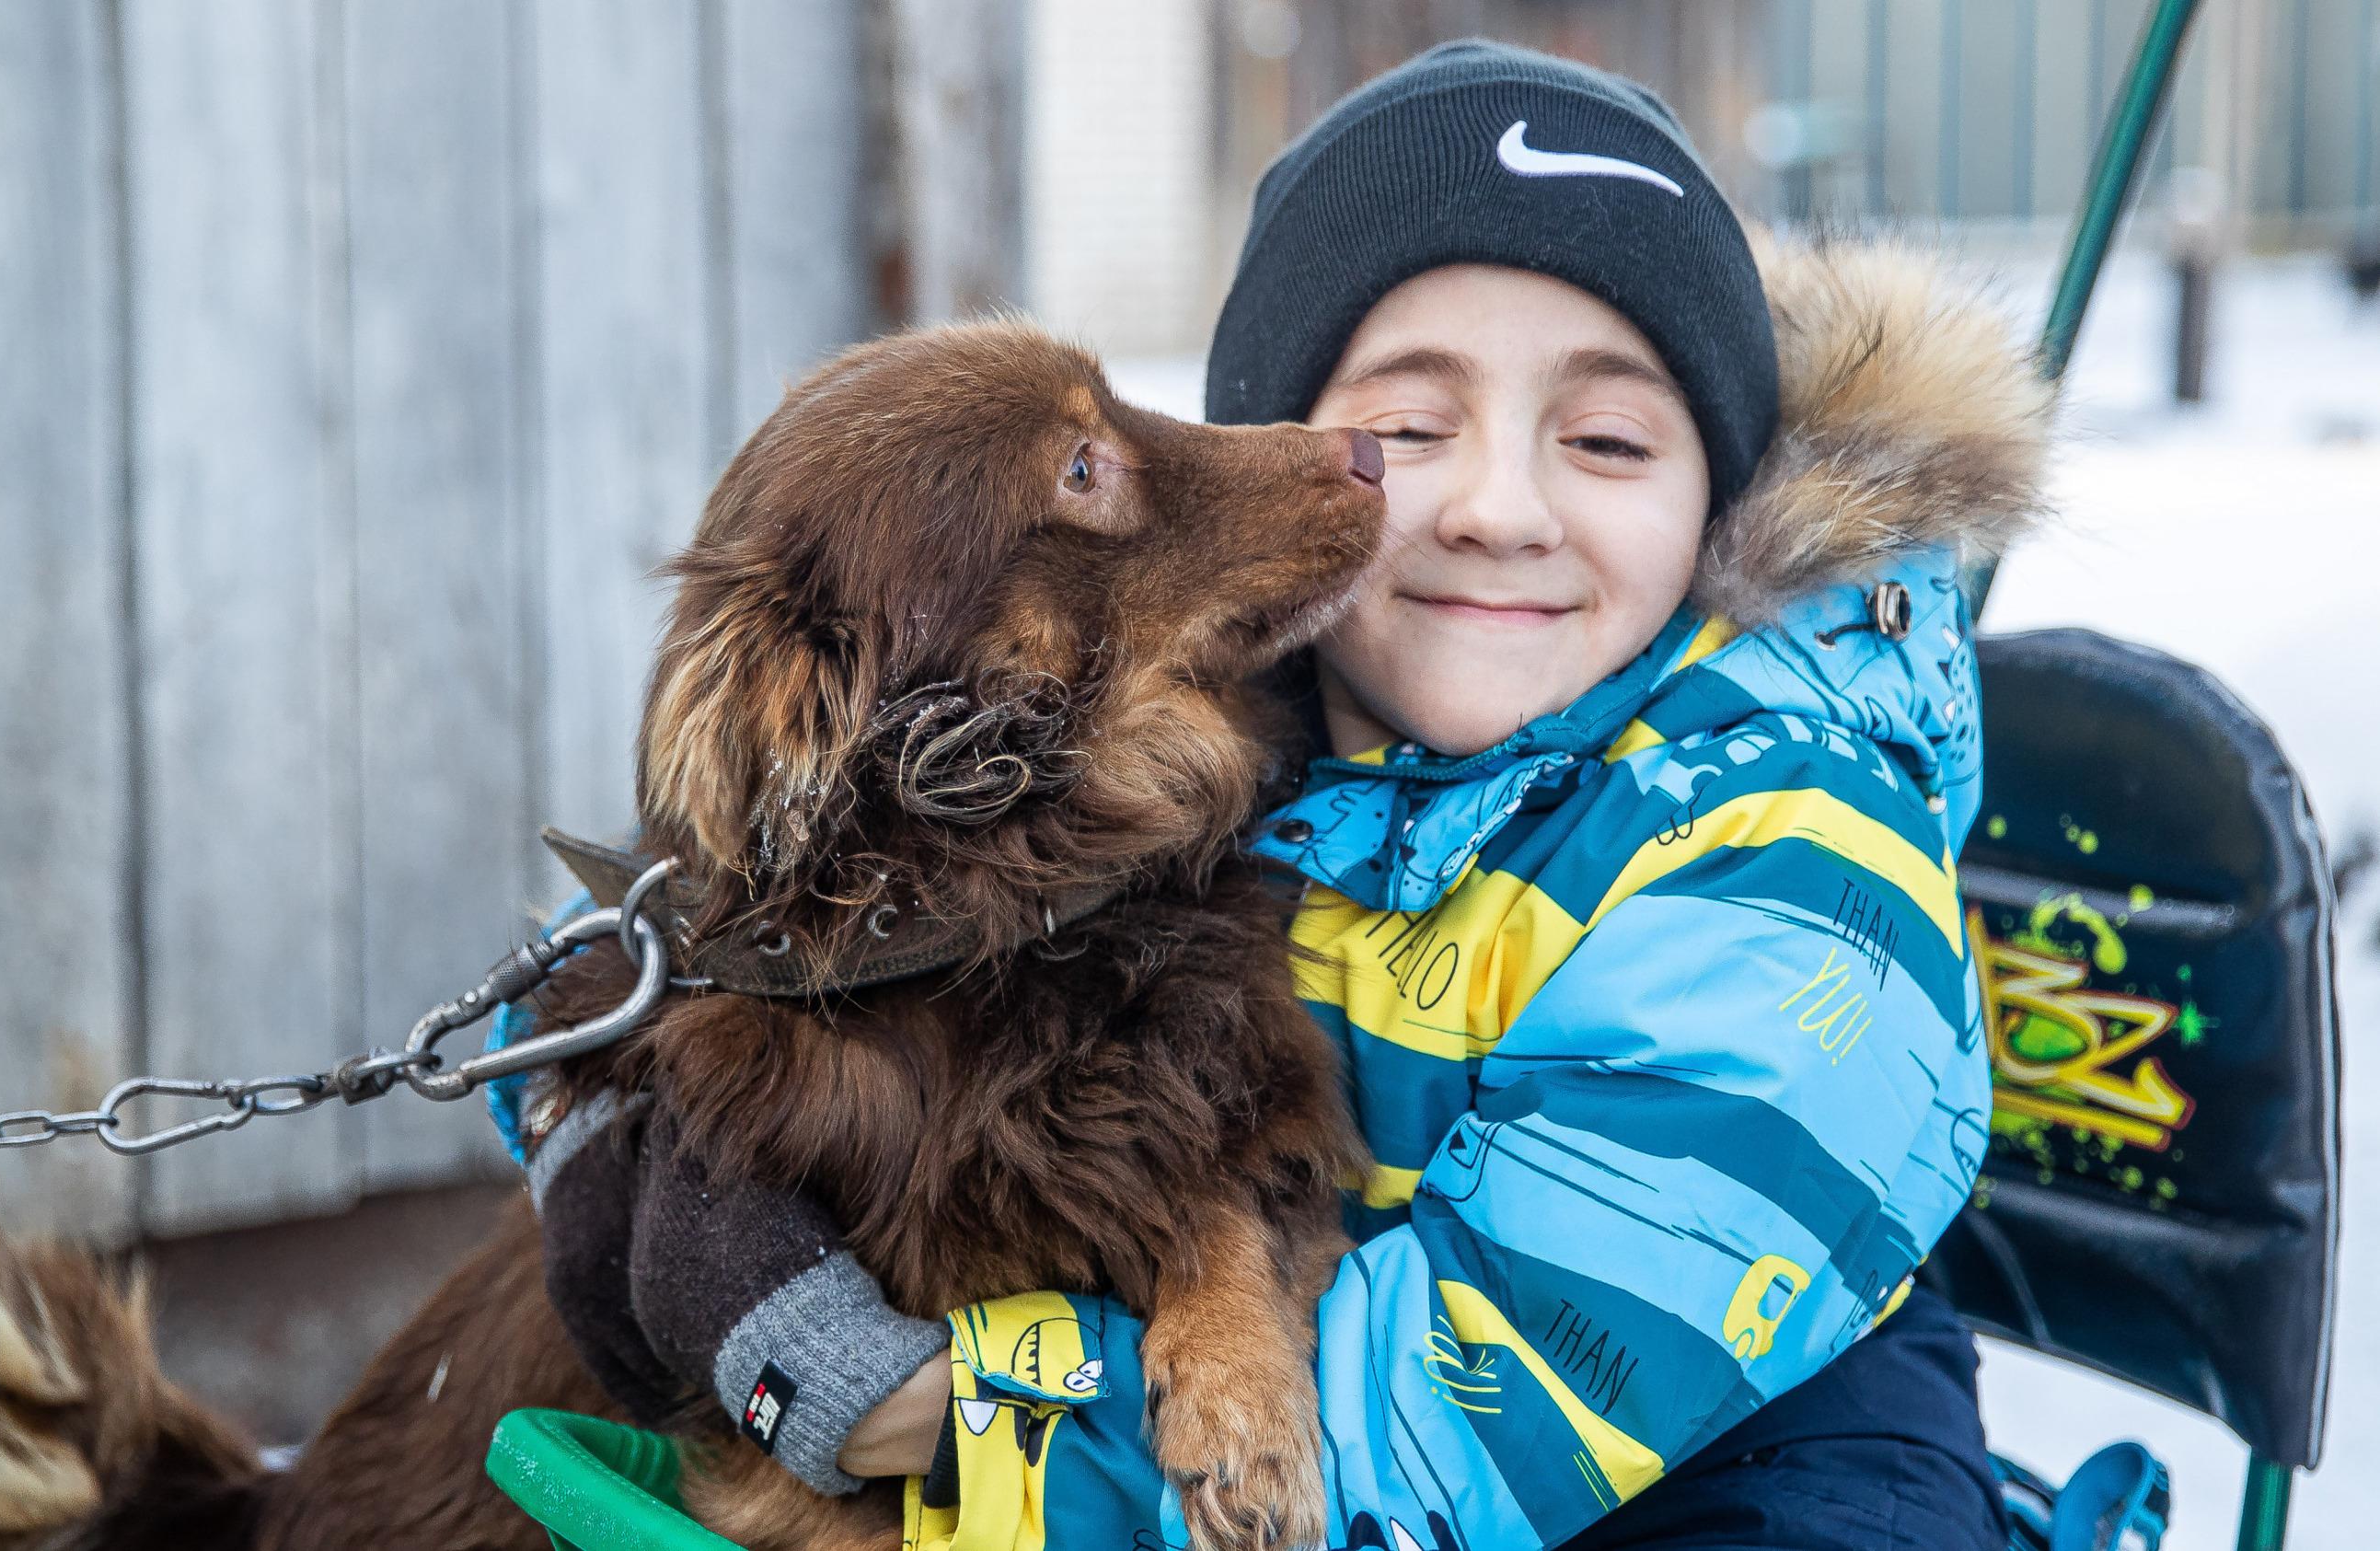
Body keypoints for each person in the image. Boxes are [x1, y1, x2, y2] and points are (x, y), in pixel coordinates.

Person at [522, 39, 2051, 1551]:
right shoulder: (1233, 754)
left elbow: (1426, 1434)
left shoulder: (1786, 883)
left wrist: (893, 1406)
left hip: (1722, 1495)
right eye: (1404, 431)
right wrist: (608, 1116)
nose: (1500, 510)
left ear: (1724, 502)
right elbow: (854, 979)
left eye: (1602, 440)